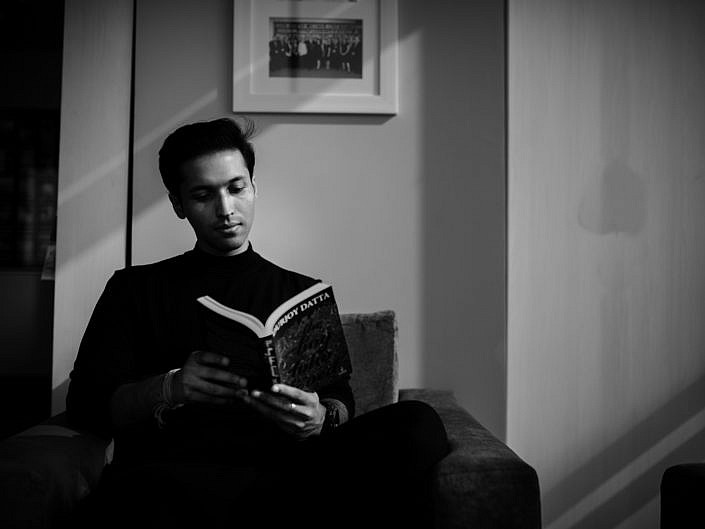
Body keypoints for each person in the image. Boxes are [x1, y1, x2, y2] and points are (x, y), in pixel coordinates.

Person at [65, 117, 449, 529]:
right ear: (178, 204)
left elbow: (340, 399)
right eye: (202, 195)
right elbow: (85, 405)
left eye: (236, 188)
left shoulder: (301, 292)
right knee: (136, 496)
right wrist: (170, 386)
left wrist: (322, 417)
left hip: (288, 478)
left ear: (253, 187)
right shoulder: (134, 288)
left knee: (417, 422)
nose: (226, 209)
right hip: (179, 477)